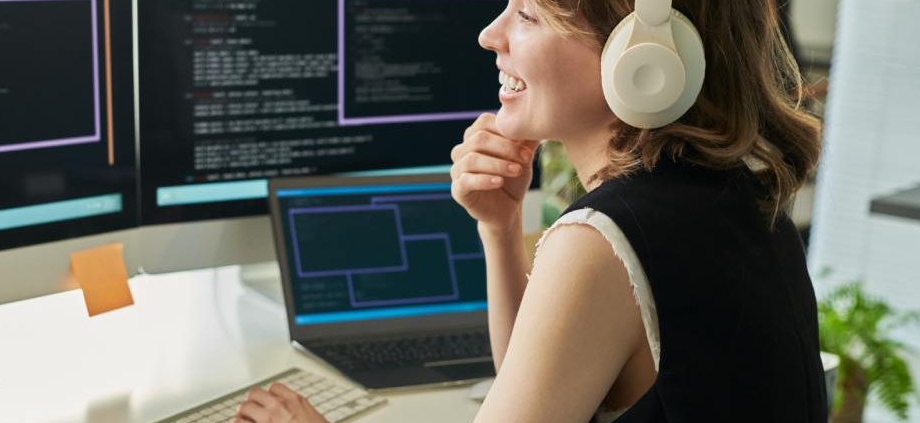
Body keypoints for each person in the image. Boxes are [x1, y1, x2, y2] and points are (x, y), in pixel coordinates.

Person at [232, 0, 828, 421]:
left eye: (529, 14)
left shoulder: (606, 238)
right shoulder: (733, 194)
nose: (490, 35)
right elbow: (541, 387)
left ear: (642, 57)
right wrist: (500, 228)